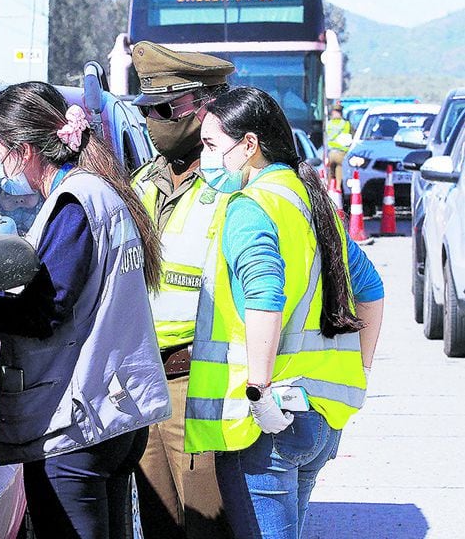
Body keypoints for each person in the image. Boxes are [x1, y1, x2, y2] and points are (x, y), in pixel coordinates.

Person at [0, 81, 171, 539]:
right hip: (112, 409)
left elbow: (44, 313)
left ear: (23, 150)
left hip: (79, 419)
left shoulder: (73, 204)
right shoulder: (98, 193)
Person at [185, 87, 384, 538]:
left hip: (267, 422)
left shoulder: (251, 207)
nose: (204, 159)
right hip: (321, 416)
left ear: (249, 145)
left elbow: (264, 297)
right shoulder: (311, 200)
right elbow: (371, 290)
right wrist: (362, 368)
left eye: (212, 146)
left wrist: (258, 391)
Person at [130, 40, 235, 539]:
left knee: (207, 526)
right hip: (143, 383)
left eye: (166, 108)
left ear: (204, 105)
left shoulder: (233, 187)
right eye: (146, 109)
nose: (154, 120)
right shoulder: (142, 183)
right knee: (159, 526)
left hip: (200, 382)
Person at [326, 103, 353, 190]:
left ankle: (329, 188)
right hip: (341, 152)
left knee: (330, 171)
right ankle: (338, 187)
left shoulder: (328, 124)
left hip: (330, 152)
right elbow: (351, 136)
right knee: (339, 169)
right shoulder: (346, 124)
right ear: (341, 113)